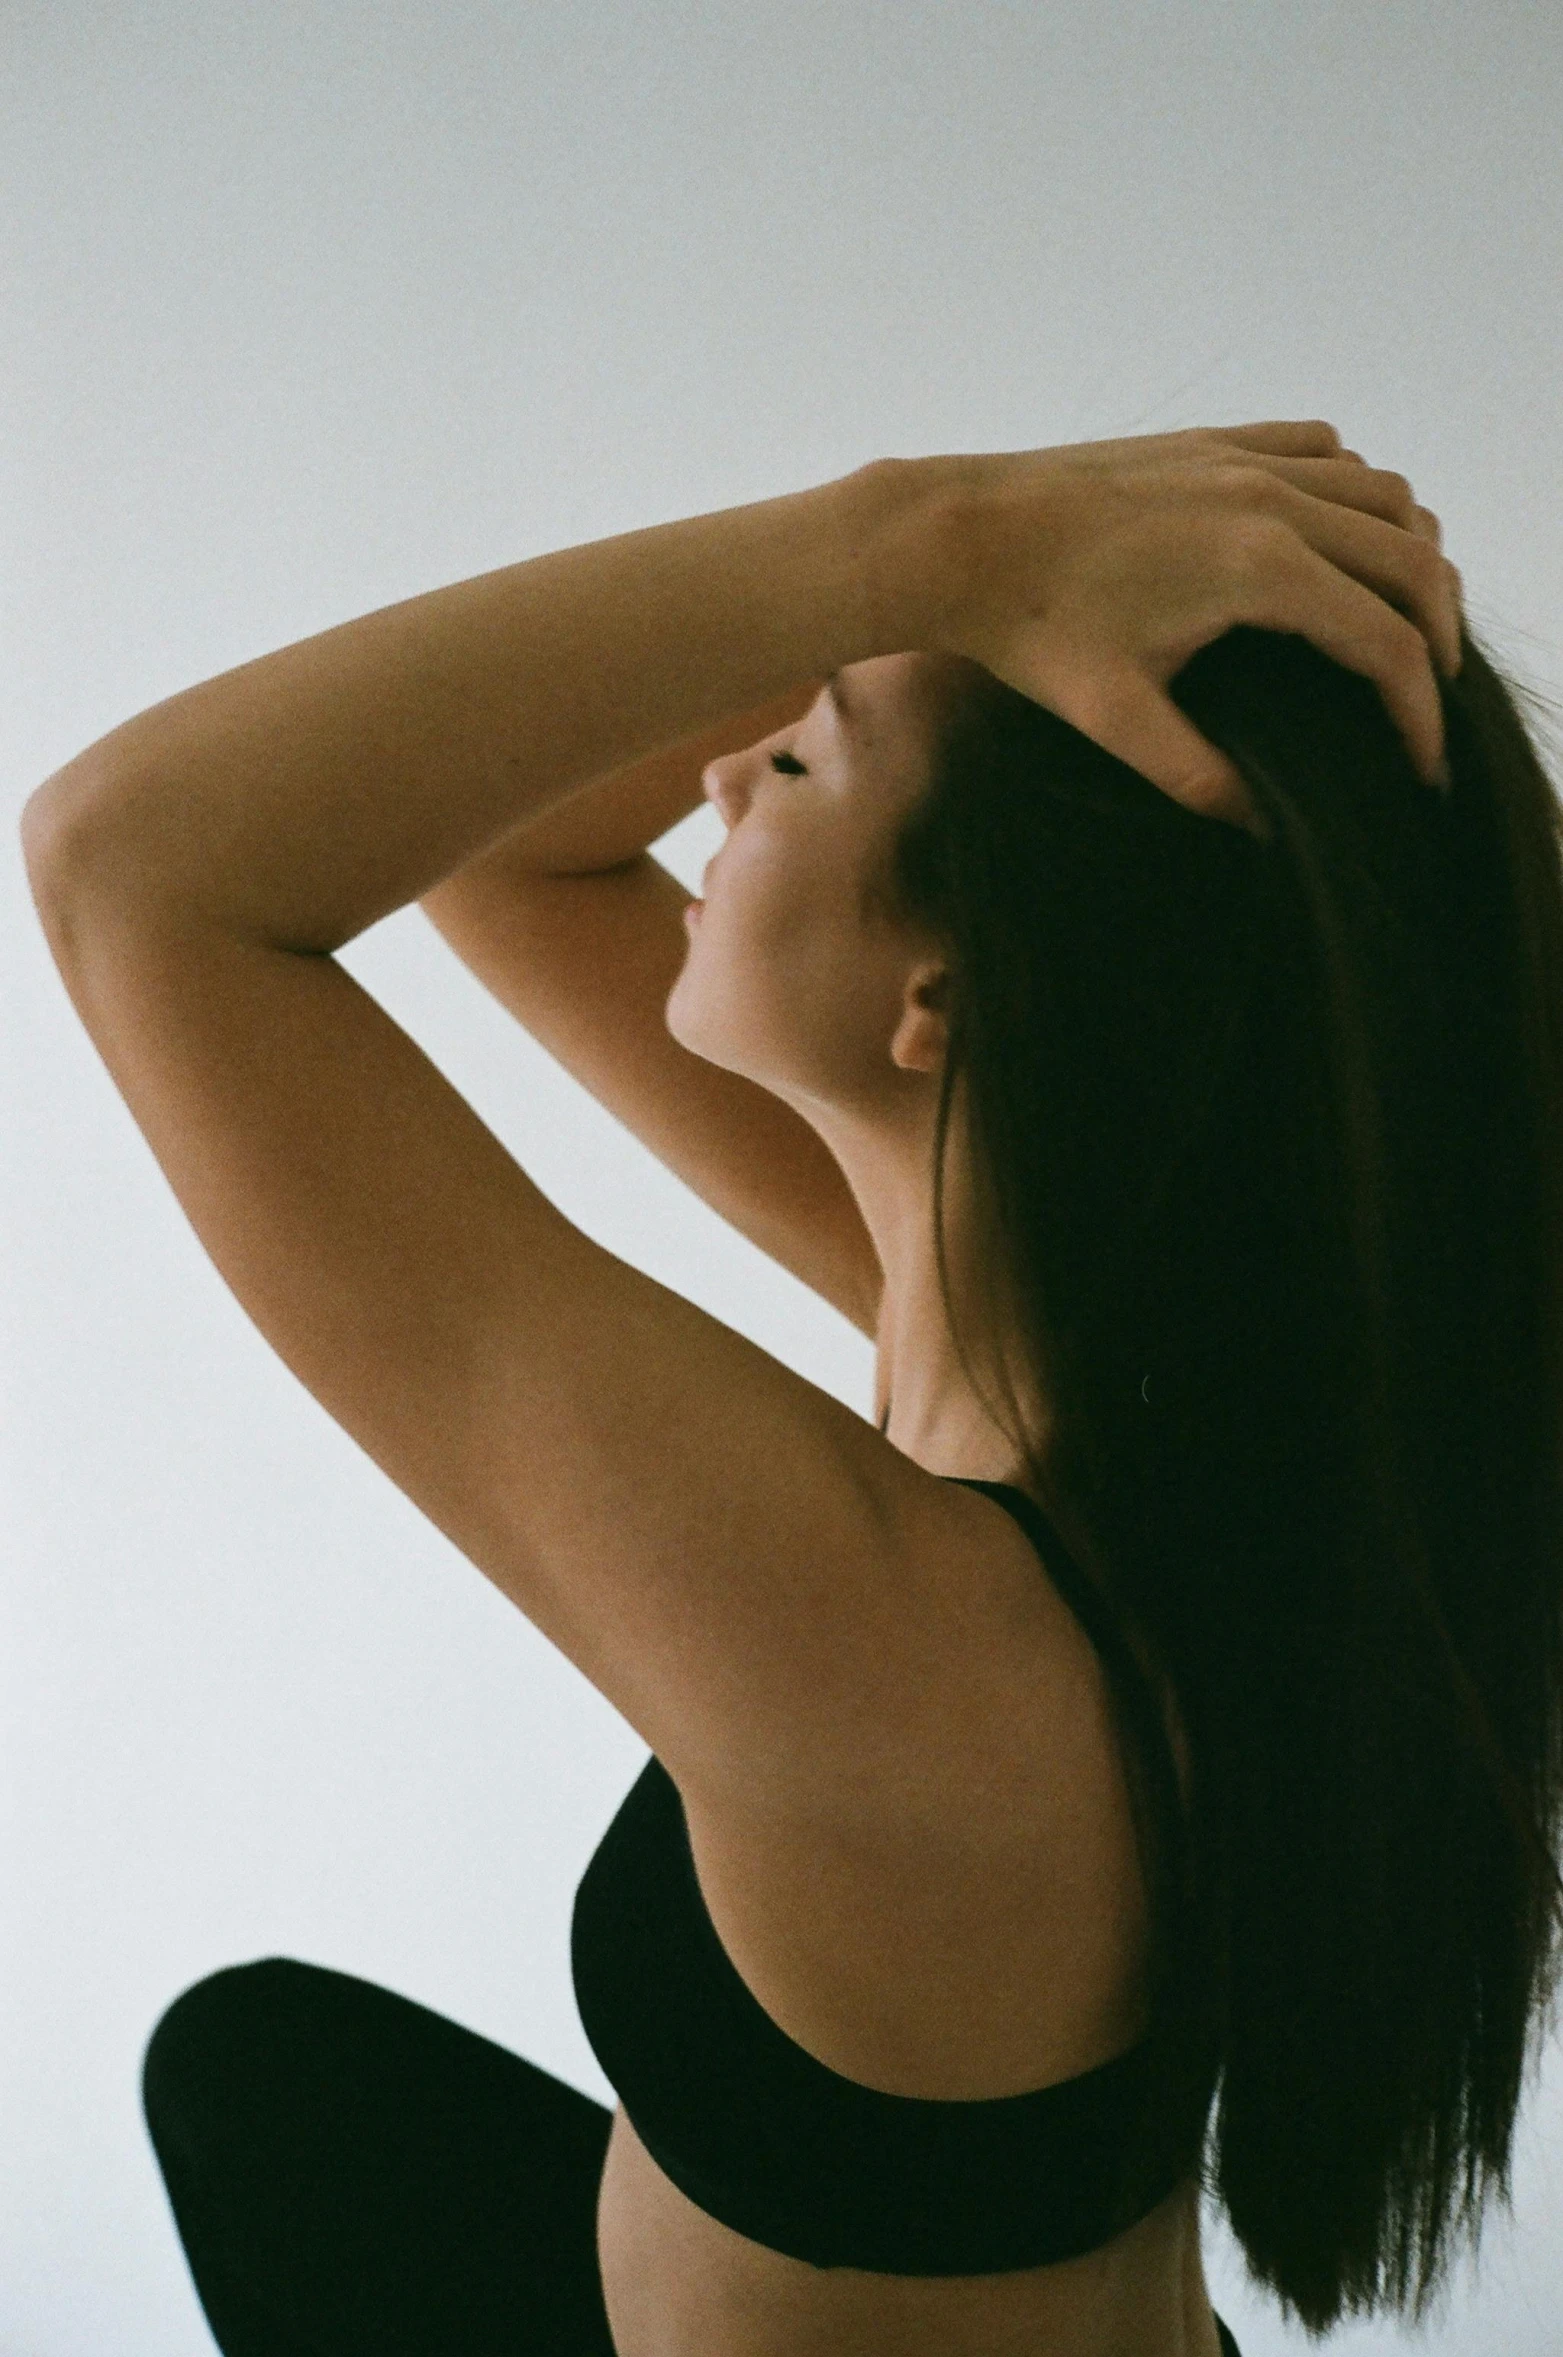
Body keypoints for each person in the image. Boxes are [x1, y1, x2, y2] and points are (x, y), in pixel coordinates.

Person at [27, 422, 1559, 2355]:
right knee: (261, 2069)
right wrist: (965, 599)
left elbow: (134, 863)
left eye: (802, 754)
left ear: (946, 992)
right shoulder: (1135, 1386)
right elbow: (513, 851)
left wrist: (919, 544)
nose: (715, 768)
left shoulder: (907, 1663)